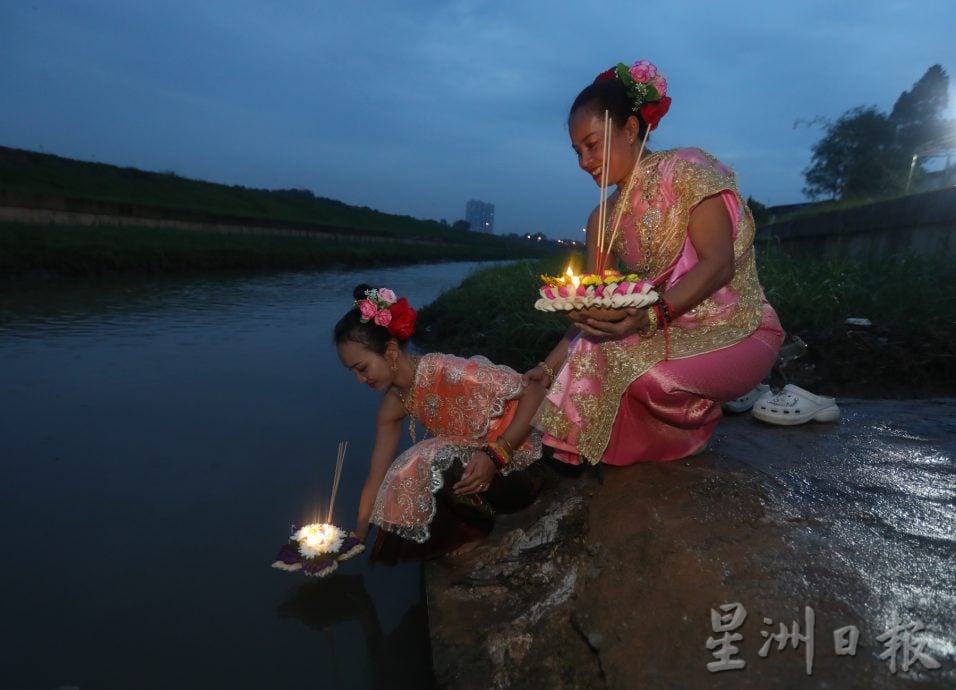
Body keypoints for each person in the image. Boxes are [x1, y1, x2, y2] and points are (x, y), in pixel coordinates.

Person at [526, 59, 784, 465]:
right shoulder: (601, 218)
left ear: (630, 129)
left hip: (738, 327)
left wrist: (647, 317)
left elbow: (719, 264)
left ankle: (706, 415)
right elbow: (595, 303)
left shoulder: (686, 169)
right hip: (666, 330)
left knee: (647, 374)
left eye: (592, 145)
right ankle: (594, 452)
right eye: (577, 151)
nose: (583, 162)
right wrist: (549, 364)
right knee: (589, 359)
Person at [335, 284, 546, 562]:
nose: (361, 380)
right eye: (353, 373)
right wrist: (358, 535)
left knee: (426, 457)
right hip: (480, 475)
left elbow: (536, 392)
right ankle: (477, 525)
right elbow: (377, 475)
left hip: (523, 470)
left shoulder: (449, 371)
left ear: (389, 351)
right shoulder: (392, 405)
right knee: (401, 489)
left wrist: (497, 452)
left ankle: (488, 526)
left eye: (362, 369)